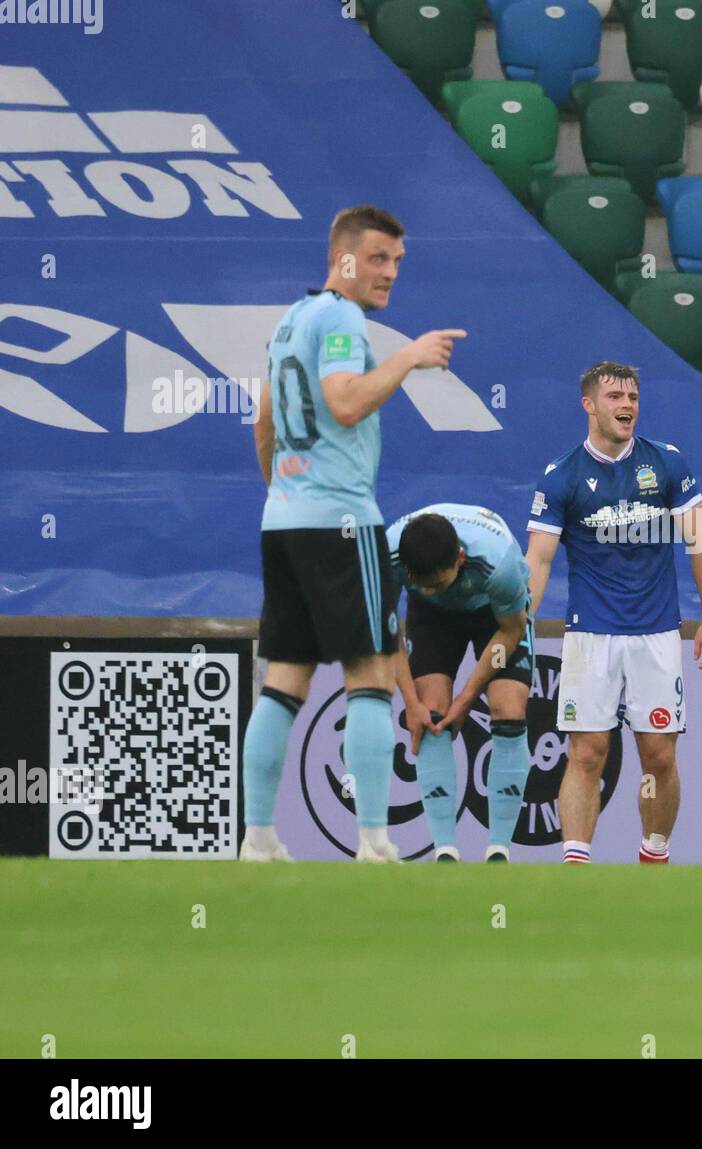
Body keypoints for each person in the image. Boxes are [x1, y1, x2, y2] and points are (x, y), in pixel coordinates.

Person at [240, 204, 466, 864]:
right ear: (342, 259)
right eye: (377, 258)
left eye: (396, 260)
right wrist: (410, 357)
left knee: (284, 681)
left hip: (284, 519)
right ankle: (373, 840)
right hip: (340, 520)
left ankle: (257, 840)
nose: (389, 272)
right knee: (369, 676)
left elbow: (263, 422)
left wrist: (283, 492)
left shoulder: (290, 320)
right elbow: (343, 400)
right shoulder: (340, 317)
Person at [525, 361, 702, 864]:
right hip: (590, 634)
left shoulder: (666, 463)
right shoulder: (561, 476)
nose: (627, 406)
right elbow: (539, 559)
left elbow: (699, 542)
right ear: (589, 405)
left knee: (658, 756)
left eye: (633, 397)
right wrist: (519, 621)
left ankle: (654, 853)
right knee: (587, 753)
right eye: (615, 397)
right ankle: (575, 861)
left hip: (656, 633)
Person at [386, 505, 533, 863]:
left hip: (494, 617)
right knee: (431, 714)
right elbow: (383, 629)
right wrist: (411, 703)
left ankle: (499, 850)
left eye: (438, 583)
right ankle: (445, 851)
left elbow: (511, 631)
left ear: (460, 559)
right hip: (432, 620)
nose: (431, 590)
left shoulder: (500, 564)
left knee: (509, 710)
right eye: (421, 583)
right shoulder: (387, 555)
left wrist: (467, 698)